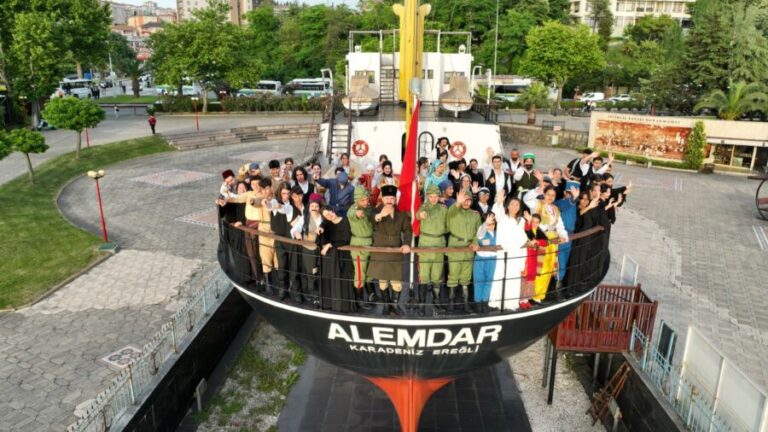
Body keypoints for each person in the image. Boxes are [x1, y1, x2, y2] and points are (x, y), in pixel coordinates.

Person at [523, 177, 570, 304]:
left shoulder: (555, 209)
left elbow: (560, 225)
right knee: (538, 269)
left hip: (552, 243)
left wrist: (563, 235)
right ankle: (531, 295)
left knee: (548, 270)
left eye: (553, 195)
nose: (550, 197)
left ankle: (539, 296)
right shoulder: (537, 204)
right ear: (544, 194)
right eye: (548, 194)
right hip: (540, 241)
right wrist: (538, 189)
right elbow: (526, 198)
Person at [367, 185, 412, 316]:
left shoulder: (401, 213)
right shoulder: (376, 211)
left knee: (396, 282)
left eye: (392, 198)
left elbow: (408, 231)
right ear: (382, 198)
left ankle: (395, 305)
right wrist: (381, 215)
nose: (389, 201)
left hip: (395, 251)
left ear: (395, 199)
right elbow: (371, 219)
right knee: (382, 282)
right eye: (387, 198)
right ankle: (386, 306)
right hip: (380, 251)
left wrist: (407, 244)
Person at [489, 192, 527, 311]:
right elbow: (496, 211)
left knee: (514, 278)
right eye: (513, 204)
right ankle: (498, 303)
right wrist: (499, 201)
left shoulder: (522, 221)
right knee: (501, 276)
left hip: (516, 253)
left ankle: (511, 304)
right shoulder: (502, 217)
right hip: (504, 252)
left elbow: (524, 237)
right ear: (508, 206)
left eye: (517, 205)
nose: (515, 207)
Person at [446, 189, 481, 313]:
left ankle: (465, 303)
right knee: (453, 276)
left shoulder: (475, 215)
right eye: (464, 200)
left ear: (471, 201)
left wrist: (475, 241)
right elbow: (449, 213)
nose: (466, 203)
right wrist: (457, 203)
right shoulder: (454, 211)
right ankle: (451, 303)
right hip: (455, 246)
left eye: (468, 200)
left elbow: (479, 231)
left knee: (466, 277)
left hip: (468, 249)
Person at [416, 184, 448, 316]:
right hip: (425, 246)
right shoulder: (424, 207)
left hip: (439, 245)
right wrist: (421, 215)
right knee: (423, 277)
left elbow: (448, 223)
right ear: (427, 196)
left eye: (436, 196)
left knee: (437, 277)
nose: (434, 199)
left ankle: (436, 302)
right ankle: (422, 305)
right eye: (431, 196)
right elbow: (419, 215)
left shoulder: (443, 209)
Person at [319, 206, 355, 312]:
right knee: (329, 278)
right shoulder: (327, 223)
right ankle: (329, 304)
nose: (329, 215)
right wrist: (320, 227)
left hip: (342, 256)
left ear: (333, 210)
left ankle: (342, 307)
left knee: (342, 281)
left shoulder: (345, 221)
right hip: (330, 257)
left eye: (329, 212)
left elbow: (346, 239)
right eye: (326, 215)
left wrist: (330, 245)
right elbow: (324, 226)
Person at [271, 184, 302, 301]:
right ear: (280, 193)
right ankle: (283, 288)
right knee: (282, 265)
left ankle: (296, 291)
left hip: (292, 240)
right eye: (284, 193)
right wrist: (268, 204)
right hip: (280, 239)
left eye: (288, 194)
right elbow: (273, 206)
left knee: (294, 266)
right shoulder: (275, 203)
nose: (286, 196)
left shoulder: (293, 207)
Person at [347, 186, 375, 309]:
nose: (366, 202)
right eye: (363, 200)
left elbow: (371, 214)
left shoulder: (368, 208)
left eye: (367, 199)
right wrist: (358, 213)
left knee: (369, 272)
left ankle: (370, 294)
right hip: (359, 246)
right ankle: (358, 299)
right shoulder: (352, 210)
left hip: (370, 244)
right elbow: (354, 214)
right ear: (357, 200)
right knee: (360, 274)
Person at [555, 181, 581, 290]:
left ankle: (560, 281)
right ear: (565, 192)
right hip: (561, 235)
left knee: (565, 259)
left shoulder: (575, 204)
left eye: (573, 193)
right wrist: (573, 198)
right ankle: (557, 282)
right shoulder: (559, 203)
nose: (571, 195)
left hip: (571, 235)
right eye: (569, 192)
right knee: (560, 260)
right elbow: (565, 206)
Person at [522, 213, 549, 308]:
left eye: (537, 222)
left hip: (534, 257)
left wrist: (537, 241)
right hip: (525, 256)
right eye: (533, 221)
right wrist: (528, 221)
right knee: (524, 277)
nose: (535, 224)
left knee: (531, 278)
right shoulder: (525, 227)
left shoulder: (539, 231)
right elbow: (528, 232)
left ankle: (526, 299)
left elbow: (546, 241)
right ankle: (521, 300)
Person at [472, 212, 497, 314]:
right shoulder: (482, 230)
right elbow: (479, 235)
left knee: (488, 282)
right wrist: (485, 224)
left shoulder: (497, 233)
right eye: (488, 224)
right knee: (479, 282)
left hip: (492, 260)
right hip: (480, 260)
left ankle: (485, 303)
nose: (490, 226)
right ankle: (478, 304)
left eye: (492, 223)